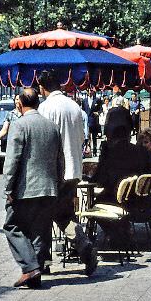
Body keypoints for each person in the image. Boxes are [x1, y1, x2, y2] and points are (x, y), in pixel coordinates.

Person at [37, 71, 98, 275]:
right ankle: (83, 244)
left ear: (42, 88)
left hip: (54, 171)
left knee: (44, 216)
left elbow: (43, 141)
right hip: (73, 170)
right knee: (64, 214)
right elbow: (82, 138)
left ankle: (44, 261)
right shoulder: (74, 106)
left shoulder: (45, 107)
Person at [2, 87, 64, 289]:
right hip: (49, 187)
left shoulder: (19, 125)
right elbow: (60, 161)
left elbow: (12, 161)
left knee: (12, 226)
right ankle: (35, 275)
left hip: (25, 188)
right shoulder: (52, 127)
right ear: (38, 102)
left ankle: (30, 268)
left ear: (19, 103)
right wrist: (58, 183)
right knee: (39, 231)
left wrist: (8, 189)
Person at [89, 107, 151, 243]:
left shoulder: (110, 152)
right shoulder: (140, 151)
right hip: (142, 200)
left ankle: (115, 233)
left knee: (92, 206)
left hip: (120, 202)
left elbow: (100, 180)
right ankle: (122, 230)